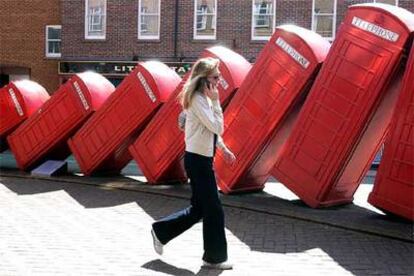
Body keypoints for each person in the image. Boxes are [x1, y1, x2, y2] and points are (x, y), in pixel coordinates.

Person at [150, 57, 236, 270]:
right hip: (198, 162)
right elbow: (217, 126)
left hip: (201, 160)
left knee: (200, 209)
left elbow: (210, 131)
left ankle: (161, 232)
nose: (219, 80)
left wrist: (223, 149)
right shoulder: (199, 99)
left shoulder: (202, 98)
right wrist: (216, 101)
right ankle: (214, 258)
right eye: (216, 76)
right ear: (204, 79)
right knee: (214, 209)